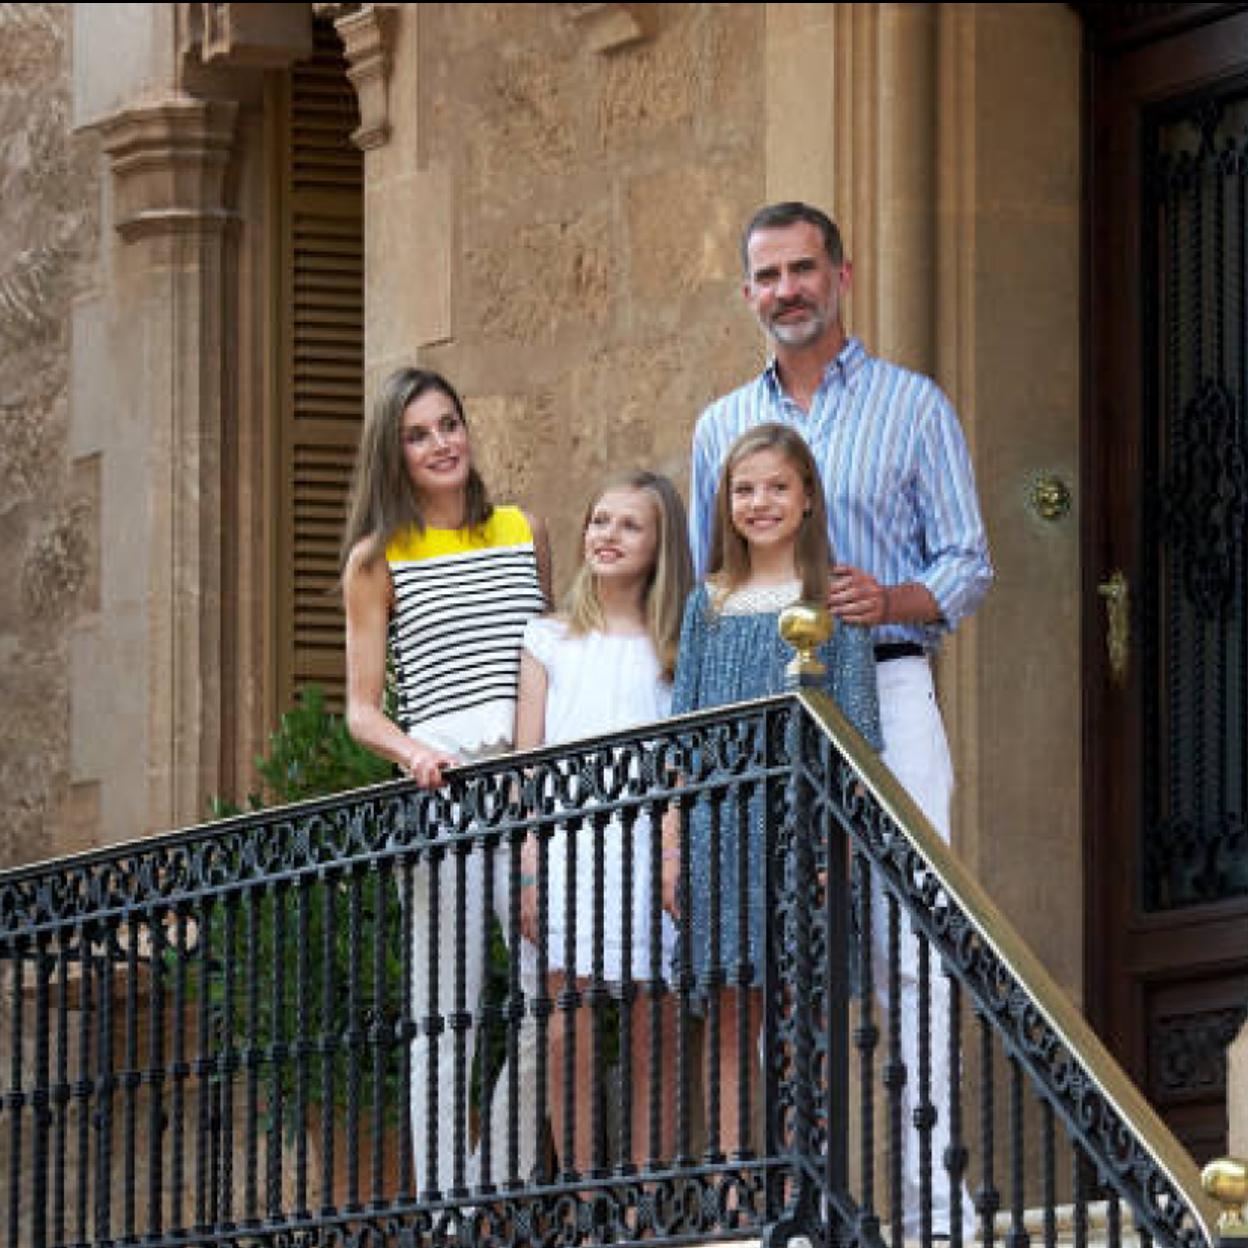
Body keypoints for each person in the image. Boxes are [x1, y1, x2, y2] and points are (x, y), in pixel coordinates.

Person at [688, 201, 992, 1234]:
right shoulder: (719, 426)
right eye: (768, 275)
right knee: (773, 946)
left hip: (889, 687)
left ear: (842, 275)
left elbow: (968, 559)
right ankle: (791, 1203)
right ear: (747, 293)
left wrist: (890, 598)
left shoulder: (913, 405)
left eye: (804, 269)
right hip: (762, 712)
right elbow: (711, 575)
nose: (788, 291)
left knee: (913, 938)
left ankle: (933, 1212)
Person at [341, 366, 552, 1198]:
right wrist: (414, 755)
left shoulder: (522, 528)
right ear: (393, 454)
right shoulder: (377, 558)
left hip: (532, 789)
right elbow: (361, 710)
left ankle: (491, 1184)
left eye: (450, 425)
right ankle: (444, 1214)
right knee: (444, 1017)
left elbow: (546, 660)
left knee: (550, 1001)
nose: (441, 444)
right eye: (418, 435)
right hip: (444, 794)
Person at [670, 422, 881, 1155]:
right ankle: (732, 1183)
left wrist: (837, 846)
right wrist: (673, 845)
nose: (759, 503)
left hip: (802, 833)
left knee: (802, 1015)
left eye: (777, 487)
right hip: (718, 833)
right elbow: (683, 736)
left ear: (808, 497)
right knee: (730, 1013)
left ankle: (801, 1183)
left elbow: (857, 742)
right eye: (744, 489)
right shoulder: (707, 605)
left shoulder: (833, 599)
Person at [514, 469, 693, 1173]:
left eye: (629, 525)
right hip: (568, 848)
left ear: (659, 545)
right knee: (568, 1034)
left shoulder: (677, 646)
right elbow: (527, 767)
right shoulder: (548, 639)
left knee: (657, 1030)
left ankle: (647, 1204)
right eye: (599, 520)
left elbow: (683, 759)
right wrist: (530, 866)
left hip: (650, 848)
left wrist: (674, 851)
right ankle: (586, 1196)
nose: (607, 535)